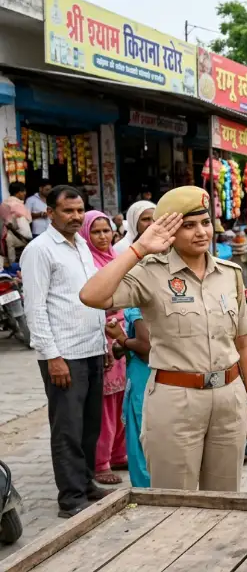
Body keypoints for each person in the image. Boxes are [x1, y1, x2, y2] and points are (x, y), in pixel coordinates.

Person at [79, 185, 247, 492]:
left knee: (224, 499)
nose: (201, 232)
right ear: (168, 231)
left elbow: (243, 343)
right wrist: (139, 249)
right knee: (175, 503)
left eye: (205, 223)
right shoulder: (150, 273)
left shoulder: (229, 274)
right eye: (188, 225)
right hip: (176, 400)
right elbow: (92, 296)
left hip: (228, 399)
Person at [20, 186, 109, 518]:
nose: (75, 216)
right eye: (68, 211)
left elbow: (90, 297)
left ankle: (85, 483)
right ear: (50, 213)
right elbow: (36, 308)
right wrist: (51, 356)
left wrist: (103, 345)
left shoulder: (83, 245)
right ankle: (71, 497)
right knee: (68, 427)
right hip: (64, 354)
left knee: (90, 425)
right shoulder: (39, 250)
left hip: (91, 348)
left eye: (79, 210)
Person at [78, 211, 128, 486]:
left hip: (122, 334)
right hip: (103, 334)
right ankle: (100, 462)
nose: (102, 236)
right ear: (87, 234)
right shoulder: (88, 263)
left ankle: (119, 453)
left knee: (122, 399)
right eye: (95, 232)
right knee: (105, 404)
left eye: (106, 231)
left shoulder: (116, 260)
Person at [110, 304, 152, 488]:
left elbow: (146, 348)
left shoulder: (138, 307)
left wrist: (121, 339)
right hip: (154, 375)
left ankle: (147, 490)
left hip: (143, 378)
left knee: (142, 440)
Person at [2, 183, 32, 264]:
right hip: (17, 238)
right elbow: (24, 228)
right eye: (23, 191)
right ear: (18, 193)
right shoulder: (17, 205)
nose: (25, 193)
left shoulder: (3, 204)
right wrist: (28, 239)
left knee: (9, 262)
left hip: (4, 237)